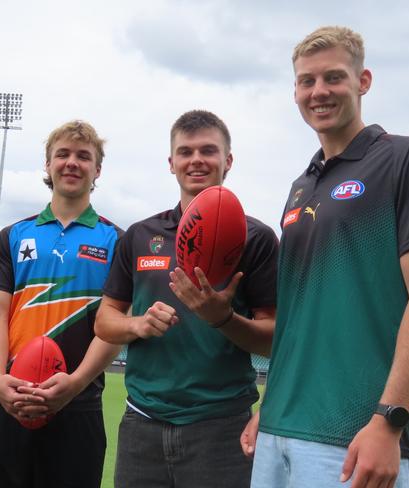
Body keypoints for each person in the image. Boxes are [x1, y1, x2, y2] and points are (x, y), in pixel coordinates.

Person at [242, 26, 409, 488]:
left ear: (363, 81)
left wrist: (389, 420)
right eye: (306, 81)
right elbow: (299, 316)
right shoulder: (301, 185)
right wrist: (271, 406)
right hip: (279, 428)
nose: (318, 92)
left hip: (356, 435)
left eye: (333, 77)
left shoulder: (404, 157)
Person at [95, 109, 279, 488]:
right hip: (142, 421)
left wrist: (222, 318)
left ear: (227, 161)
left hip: (222, 425)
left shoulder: (256, 238)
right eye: (186, 151)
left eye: (208, 151)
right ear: (171, 163)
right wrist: (138, 324)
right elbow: (104, 321)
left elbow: (276, 337)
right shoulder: (140, 235)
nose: (196, 160)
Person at [0, 120, 122, 488]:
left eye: (83, 156)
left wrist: (76, 383)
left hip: (78, 403)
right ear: (48, 164)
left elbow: (116, 322)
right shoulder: (14, 235)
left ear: (97, 169)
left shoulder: (117, 239)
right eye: (63, 154)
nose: (72, 162)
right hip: (9, 400)